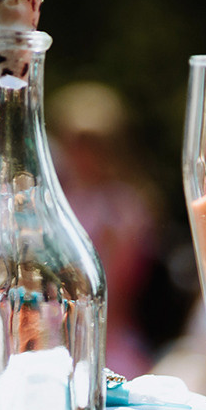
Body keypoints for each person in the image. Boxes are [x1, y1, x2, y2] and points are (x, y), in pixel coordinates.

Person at [51, 82, 158, 377]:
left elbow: (115, 286)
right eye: (74, 143)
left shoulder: (122, 206)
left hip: (107, 333)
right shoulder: (56, 199)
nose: (80, 155)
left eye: (90, 145)